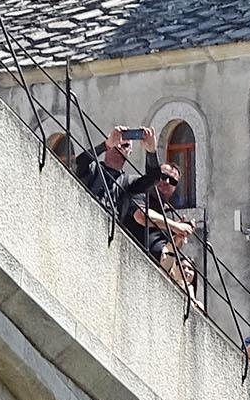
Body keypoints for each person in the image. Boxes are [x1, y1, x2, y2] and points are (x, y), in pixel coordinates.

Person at [113, 158, 198, 295]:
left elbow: (168, 249)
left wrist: (179, 236)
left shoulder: (168, 213)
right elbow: (141, 216)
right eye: (164, 176)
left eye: (173, 181)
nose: (167, 182)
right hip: (133, 262)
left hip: (160, 271)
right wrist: (175, 226)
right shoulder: (140, 191)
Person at [72, 125, 136, 205]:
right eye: (116, 142)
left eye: (125, 145)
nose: (119, 146)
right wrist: (105, 145)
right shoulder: (93, 167)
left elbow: (150, 181)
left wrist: (151, 152)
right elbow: (77, 164)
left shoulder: (127, 182)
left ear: (130, 152)